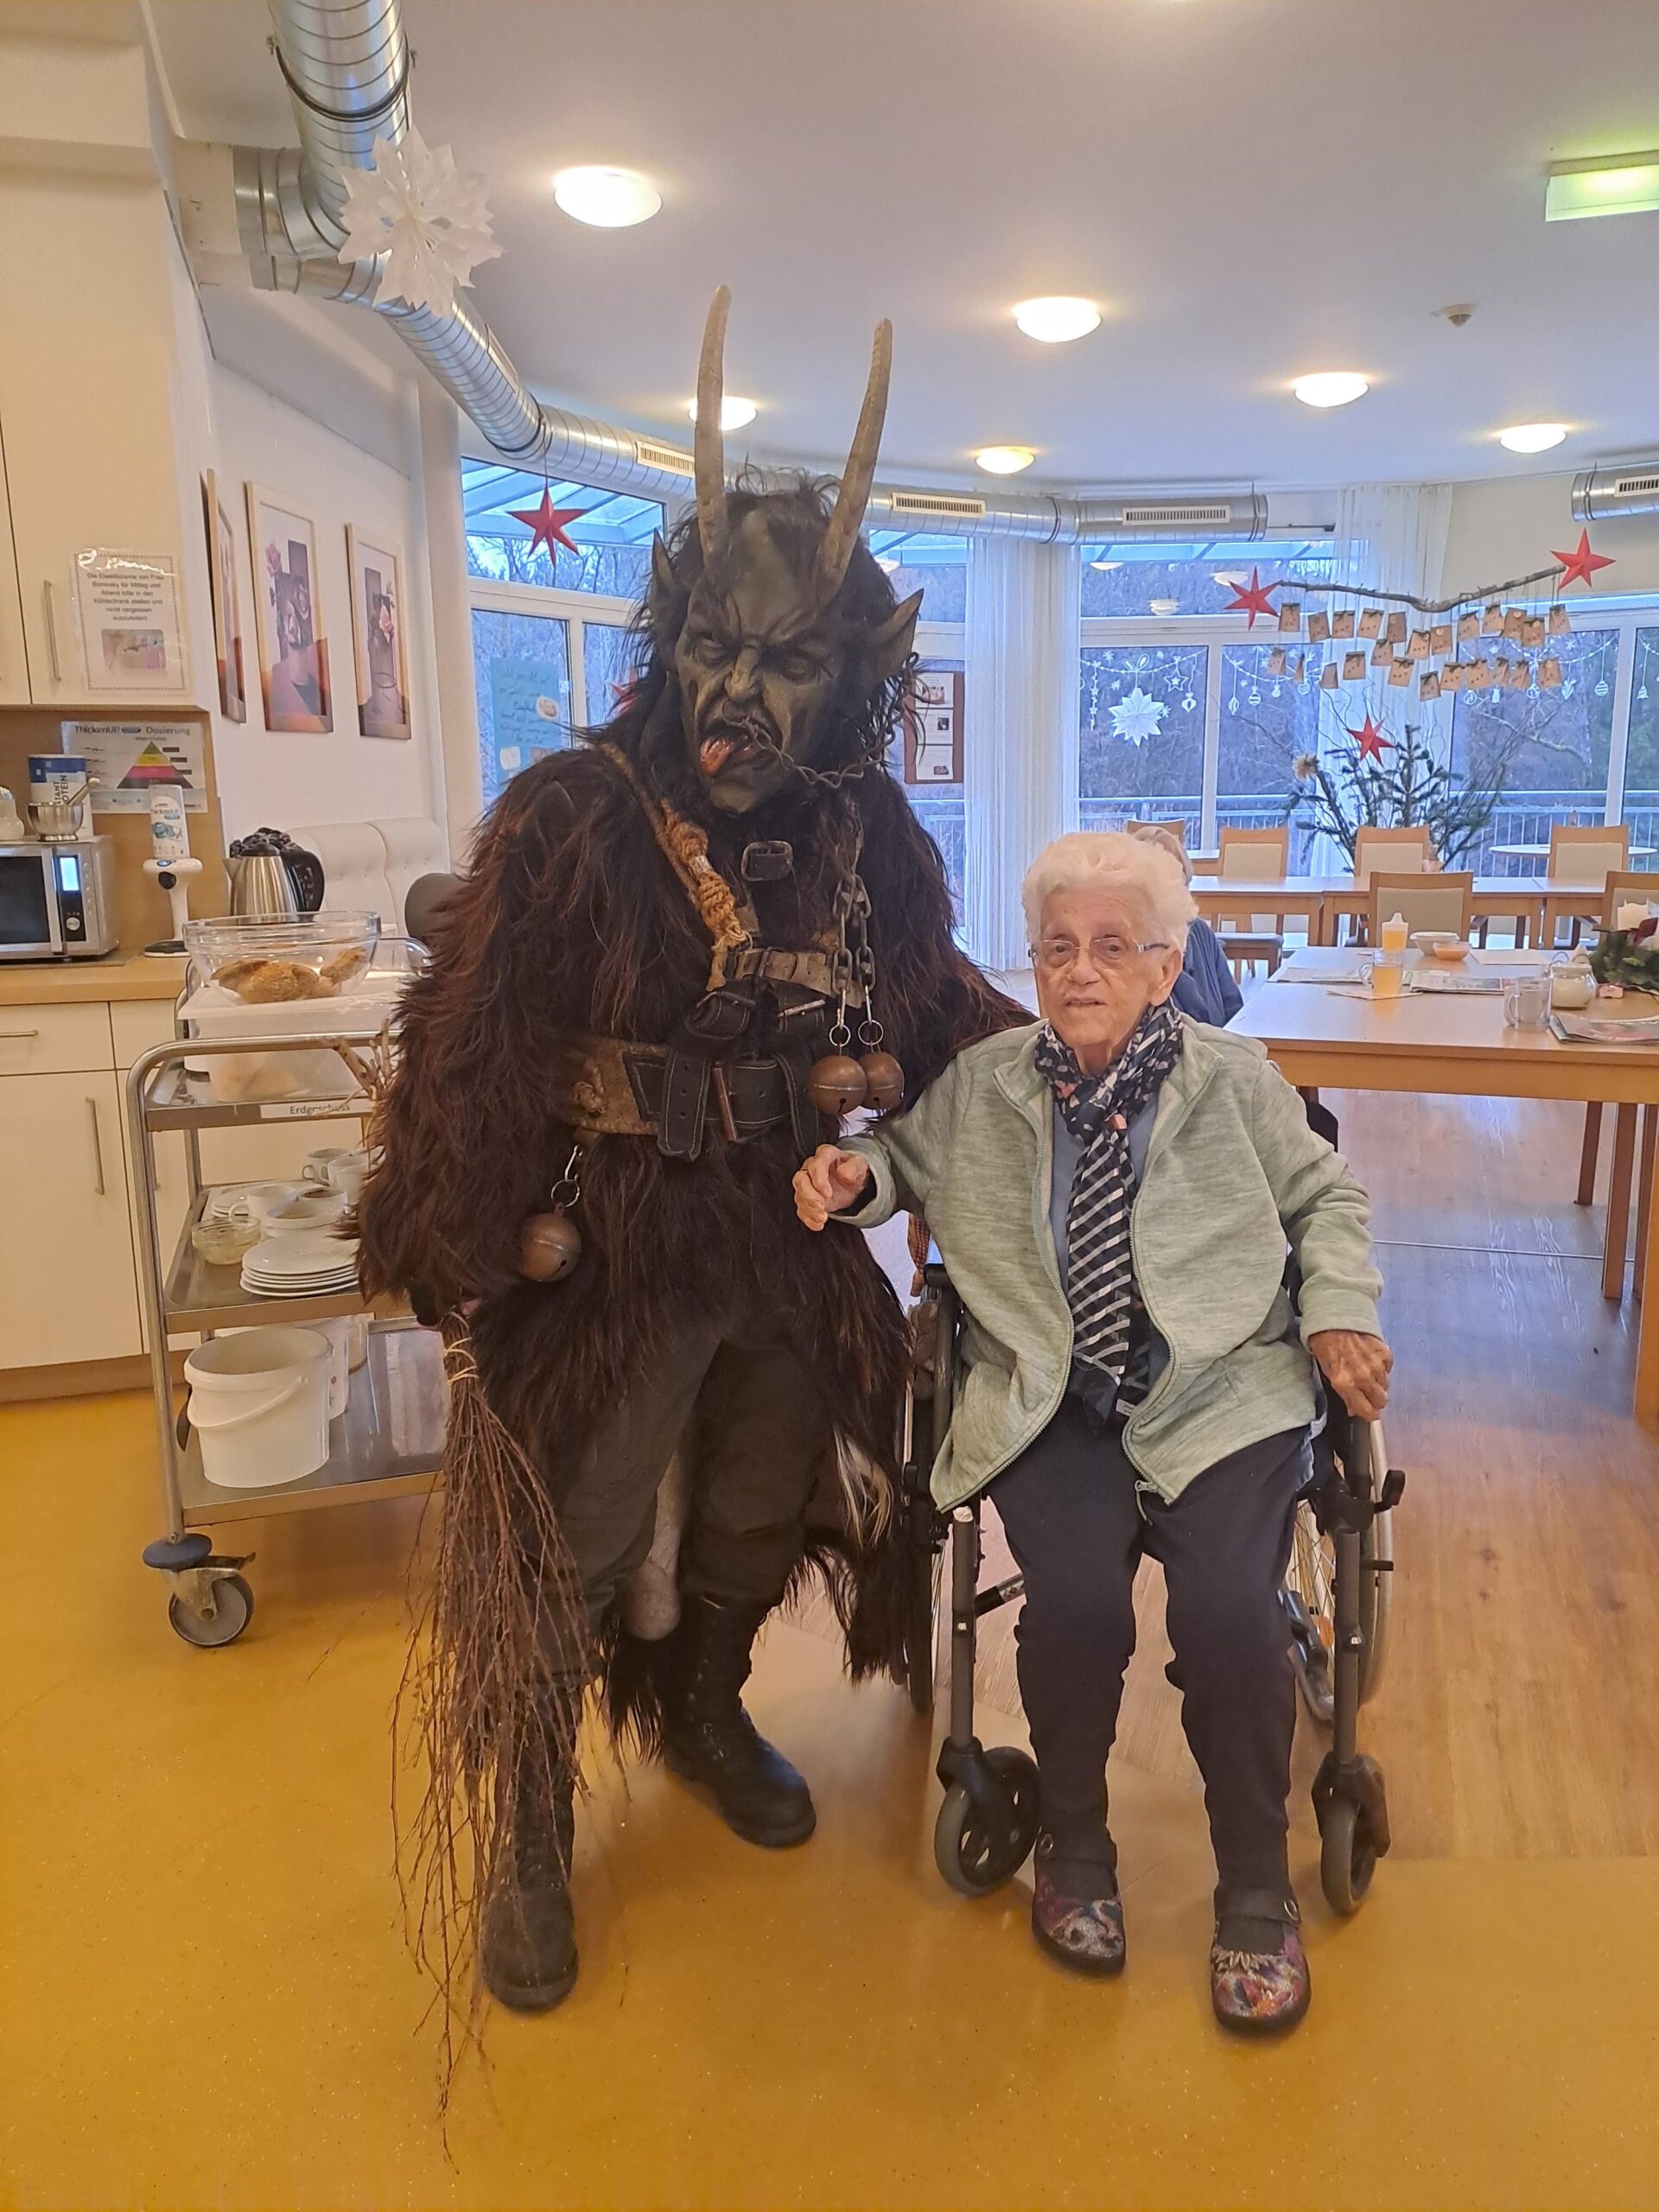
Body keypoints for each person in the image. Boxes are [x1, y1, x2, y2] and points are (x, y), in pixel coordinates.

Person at [356, 291, 1020, 2044]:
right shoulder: (573, 815)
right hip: (614, 1239)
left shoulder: (864, 837)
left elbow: (934, 1002)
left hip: (786, 1234)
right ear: (674, 643)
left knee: (755, 1494)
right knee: (572, 1531)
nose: (739, 692)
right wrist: (451, 1238)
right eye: (718, 648)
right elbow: (474, 1037)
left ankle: (710, 1705)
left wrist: (1113, 1067)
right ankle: (528, 1811)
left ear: (850, 683)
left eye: (787, 664)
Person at [794, 829, 1389, 2034]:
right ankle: (1073, 1843)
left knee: (1230, 1617)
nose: (1080, 970)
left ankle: (1255, 1884)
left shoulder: (1235, 1081)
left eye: (1113, 947)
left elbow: (1325, 1194)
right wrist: (856, 1181)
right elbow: (901, 1160)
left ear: (1167, 966)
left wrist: (1336, 1311)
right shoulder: (989, 1082)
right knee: (1074, 1608)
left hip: (1220, 1393)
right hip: (1052, 1397)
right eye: (1059, 946)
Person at [1124, 821, 1242, 1025]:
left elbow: (1234, 1009)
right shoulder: (1135, 949)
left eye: (1181, 883)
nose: (1175, 895)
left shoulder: (1200, 932)